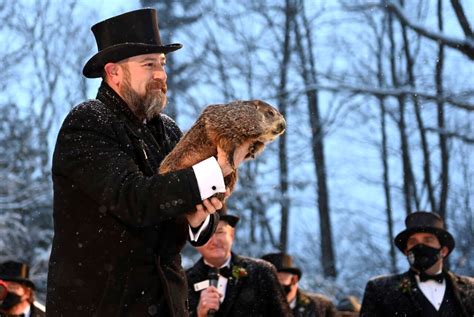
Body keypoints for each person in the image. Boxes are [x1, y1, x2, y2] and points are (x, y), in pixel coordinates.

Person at [46, 8, 249, 316]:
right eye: (148, 64)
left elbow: (179, 204)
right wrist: (213, 170)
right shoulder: (88, 122)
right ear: (114, 72)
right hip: (103, 304)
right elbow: (134, 199)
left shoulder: (167, 129)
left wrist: (198, 220)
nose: (160, 74)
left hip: (166, 303)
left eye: (162, 64)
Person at [360, 211, 474, 316]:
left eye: (428, 240)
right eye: (413, 242)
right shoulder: (381, 290)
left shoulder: (470, 289)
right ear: (406, 251)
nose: (420, 247)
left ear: (443, 251)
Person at [186, 210, 291, 316]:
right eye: (206, 234)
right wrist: (198, 314)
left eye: (220, 232)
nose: (214, 240)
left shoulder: (261, 272)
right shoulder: (184, 281)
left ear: (231, 235)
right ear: (195, 241)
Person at [261, 252, 336, 317]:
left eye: (278, 280)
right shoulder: (257, 309)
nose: (273, 289)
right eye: (266, 283)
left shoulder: (320, 308)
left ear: (294, 279)